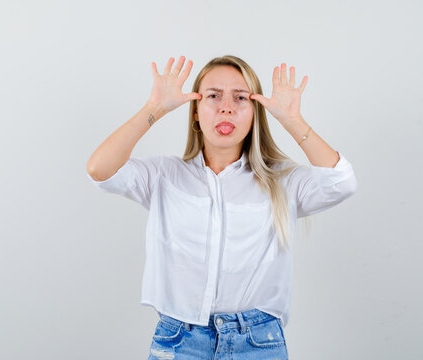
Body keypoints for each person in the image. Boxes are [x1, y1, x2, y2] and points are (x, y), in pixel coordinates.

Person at [86, 55, 357, 359]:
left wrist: (293, 120)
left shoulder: (282, 181)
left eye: (240, 98)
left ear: (255, 113)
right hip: (179, 342)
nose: (226, 107)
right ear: (196, 113)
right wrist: (154, 109)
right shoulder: (164, 175)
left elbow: (341, 183)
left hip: (258, 344)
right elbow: (100, 168)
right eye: (213, 96)